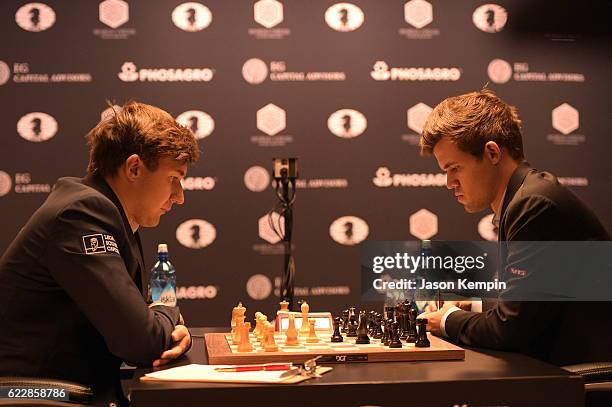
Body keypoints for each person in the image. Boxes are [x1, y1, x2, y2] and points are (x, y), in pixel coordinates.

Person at [0, 101, 200, 405]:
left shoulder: (105, 213)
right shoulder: (82, 214)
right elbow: (141, 341)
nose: (179, 197)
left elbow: (137, 322)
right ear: (134, 168)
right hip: (39, 394)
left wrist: (164, 321)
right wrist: (168, 307)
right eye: (174, 179)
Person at [418, 89, 611, 365]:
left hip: (579, 380)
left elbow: (511, 329)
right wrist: (474, 308)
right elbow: (533, 306)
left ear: (492, 153)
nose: (449, 183)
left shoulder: (534, 205)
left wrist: (448, 320)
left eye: (455, 168)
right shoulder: (525, 198)